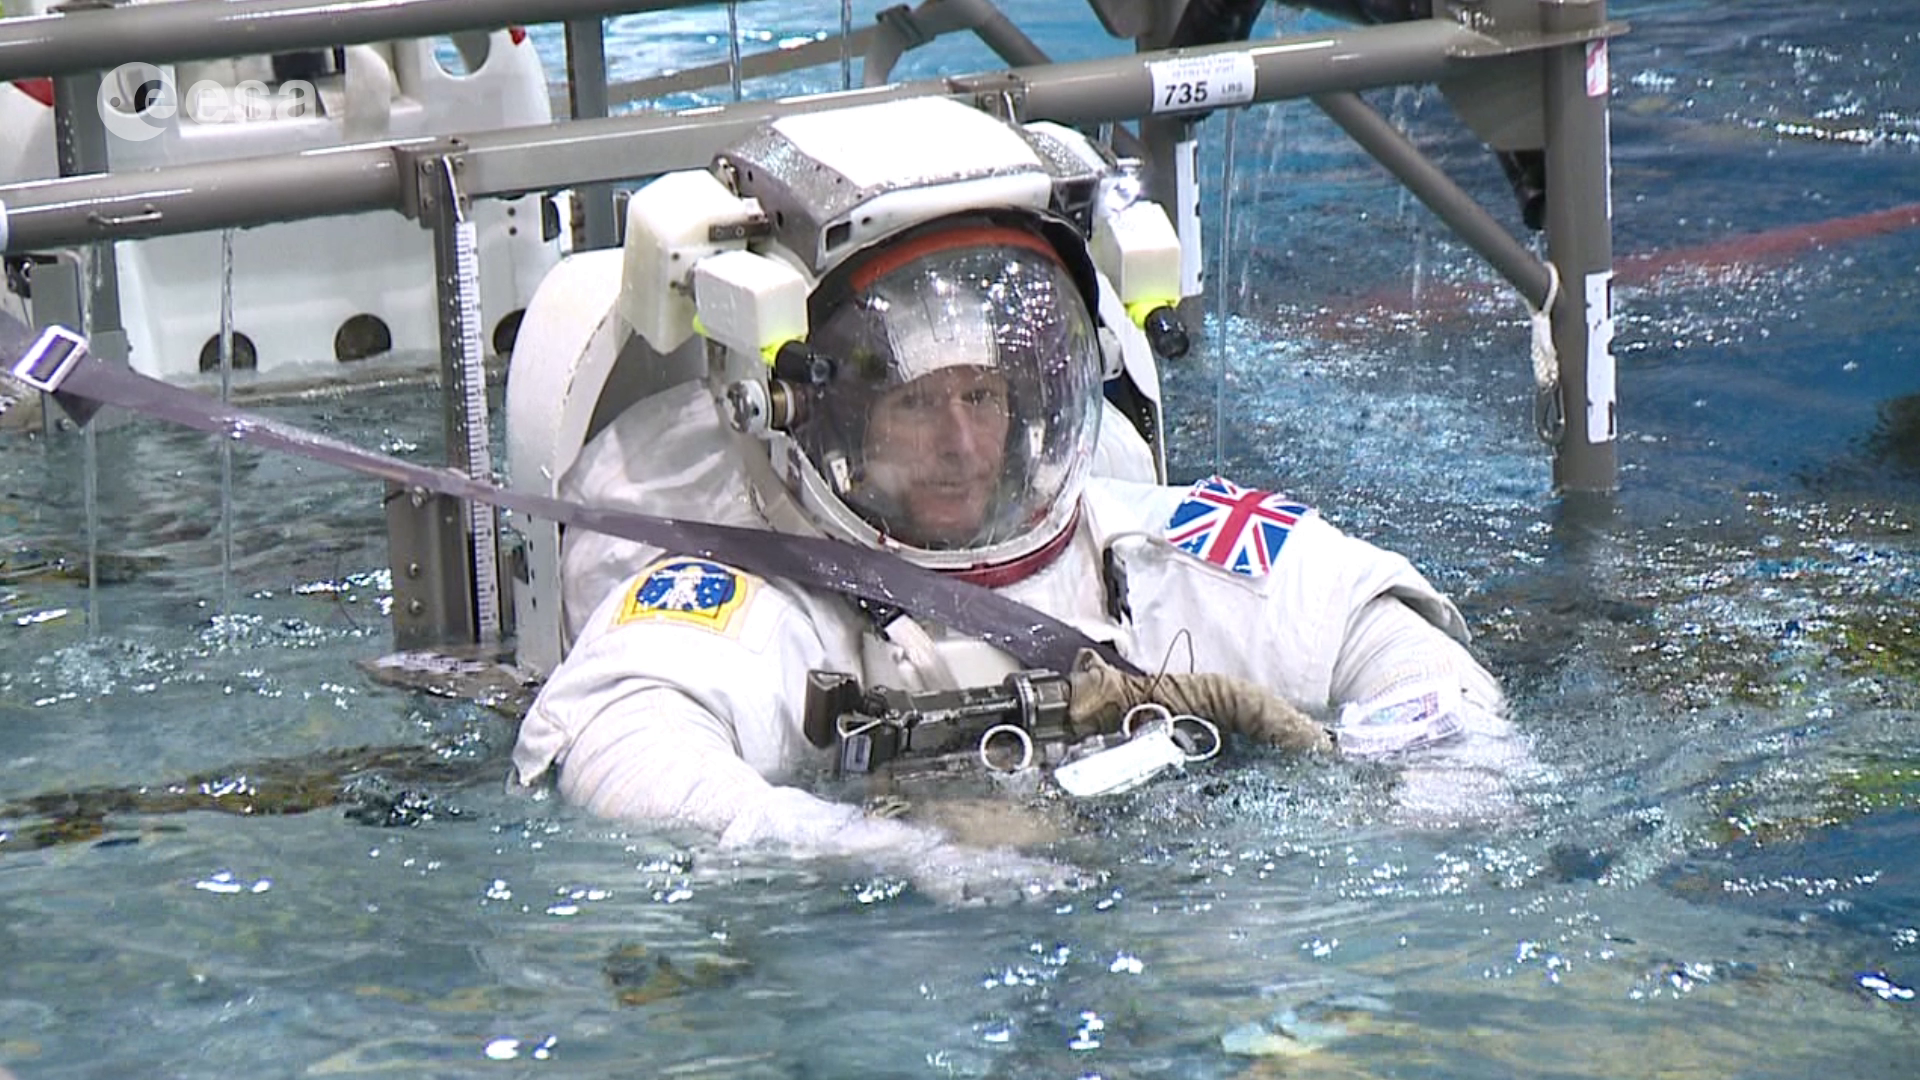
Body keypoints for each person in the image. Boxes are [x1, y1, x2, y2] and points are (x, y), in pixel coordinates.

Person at [509, 99, 1525, 902]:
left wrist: (1441, 781)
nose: (961, 443)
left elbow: (1370, 625)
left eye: (983, 395)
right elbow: (625, 749)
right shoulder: (753, 590)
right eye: (916, 405)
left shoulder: (1134, 546)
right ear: (830, 419)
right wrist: (888, 855)